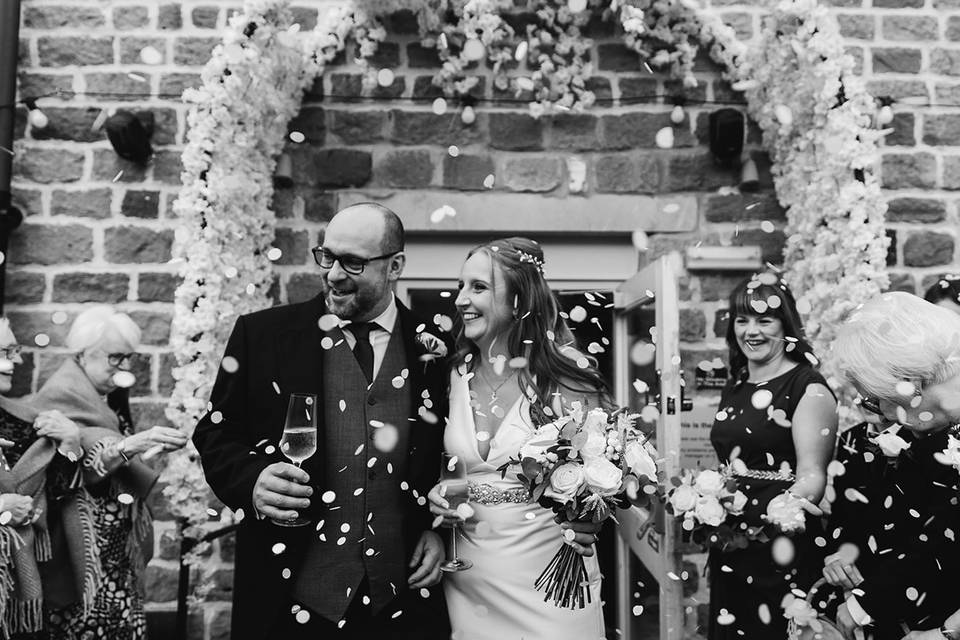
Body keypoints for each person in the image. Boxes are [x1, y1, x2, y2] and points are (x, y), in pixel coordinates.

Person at [193, 203, 452, 640]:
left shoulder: (435, 349)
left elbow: (451, 453)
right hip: (290, 599)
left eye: (353, 263)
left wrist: (437, 529)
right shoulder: (262, 335)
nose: (333, 274)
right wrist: (252, 481)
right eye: (326, 257)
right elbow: (216, 431)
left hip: (401, 600)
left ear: (396, 267)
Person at [427, 237, 608, 640]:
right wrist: (442, 493)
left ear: (518, 301)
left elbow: (601, 469)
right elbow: (451, 465)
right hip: (470, 576)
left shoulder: (565, 375)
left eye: (478, 287)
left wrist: (589, 519)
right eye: (461, 286)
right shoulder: (452, 373)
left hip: (550, 576)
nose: (460, 299)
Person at [32, 306, 188, 639]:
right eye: (116, 358)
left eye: (130, 358)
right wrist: (130, 445)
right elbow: (84, 453)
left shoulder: (108, 393)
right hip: (84, 558)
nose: (124, 369)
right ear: (84, 354)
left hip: (113, 555)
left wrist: (135, 447)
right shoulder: (62, 393)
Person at [707, 272, 838, 640]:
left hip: (781, 546)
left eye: (765, 320)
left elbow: (813, 474)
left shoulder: (807, 388)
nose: (752, 331)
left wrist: (783, 509)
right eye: (742, 320)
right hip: (731, 543)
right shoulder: (736, 386)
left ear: (786, 326)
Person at [826, 292, 960, 640]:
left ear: (908, 381)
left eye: (876, 397)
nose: (881, 413)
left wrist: (947, 633)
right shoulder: (933, 437)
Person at [0, 318, 83, 639]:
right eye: (6, 351)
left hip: (23, 579)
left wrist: (71, 445)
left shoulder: (22, 421)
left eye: (14, 350)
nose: (17, 360)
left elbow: (60, 493)